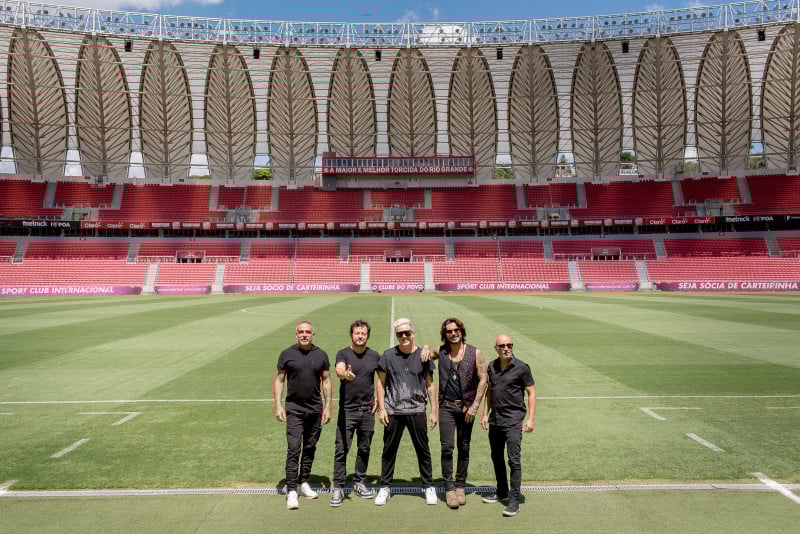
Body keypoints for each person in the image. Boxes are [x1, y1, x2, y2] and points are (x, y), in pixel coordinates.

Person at [374, 318, 439, 506]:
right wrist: (381, 408)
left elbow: (430, 384)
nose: (404, 336)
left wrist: (434, 410)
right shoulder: (387, 356)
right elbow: (380, 382)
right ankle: (385, 486)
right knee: (389, 450)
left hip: (417, 409)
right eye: (400, 334)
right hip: (393, 410)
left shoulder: (423, 355)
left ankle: (428, 486)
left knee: (423, 449)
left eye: (407, 333)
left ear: (413, 333)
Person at [273, 320, 331, 510]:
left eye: (308, 332)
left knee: (310, 447)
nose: (304, 334)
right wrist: (278, 405)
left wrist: (328, 407)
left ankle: (304, 482)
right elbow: (280, 380)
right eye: (301, 332)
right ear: (296, 334)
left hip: (315, 409)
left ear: (313, 334)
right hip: (294, 409)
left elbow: (327, 381)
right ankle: (291, 490)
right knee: (294, 448)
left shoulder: (321, 354)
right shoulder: (287, 354)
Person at [435, 318, 488, 509]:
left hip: (466, 409)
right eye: (449, 331)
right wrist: (424, 348)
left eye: (456, 330)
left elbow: (484, 380)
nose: (453, 333)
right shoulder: (441, 352)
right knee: (447, 447)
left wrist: (475, 407)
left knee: (464, 447)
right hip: (446, 407)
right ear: (445, 334)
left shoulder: (475, 353)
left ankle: (460, 486)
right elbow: (426, 350)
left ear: (461, 331)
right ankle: (449, 488)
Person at [480, 334, 536, 517]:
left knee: (514, 460)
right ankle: (502, 490)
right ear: (495, 348)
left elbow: (531, 392)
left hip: (513, 421)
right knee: (496, 457)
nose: (506, 348)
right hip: (495, 420)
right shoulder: (492, 367)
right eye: (502, 345)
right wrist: (484, 415)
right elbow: (489, 392)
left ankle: (514, 499)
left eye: (509, 345)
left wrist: (531, 419)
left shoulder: (521, 368)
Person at [330, 319, 381, 507]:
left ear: (367, 336)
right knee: (342, 448)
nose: (360, 336)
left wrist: (379, 401)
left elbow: (382, 379)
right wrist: (345, 374)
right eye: (357, 333)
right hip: (348, 411)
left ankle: (359, 481)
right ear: (351, 335)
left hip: (367, 410)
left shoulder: (375, 355)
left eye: (363, 334)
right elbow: (339, 369)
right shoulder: (343, 353)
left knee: (364, 448)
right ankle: (338, 486)